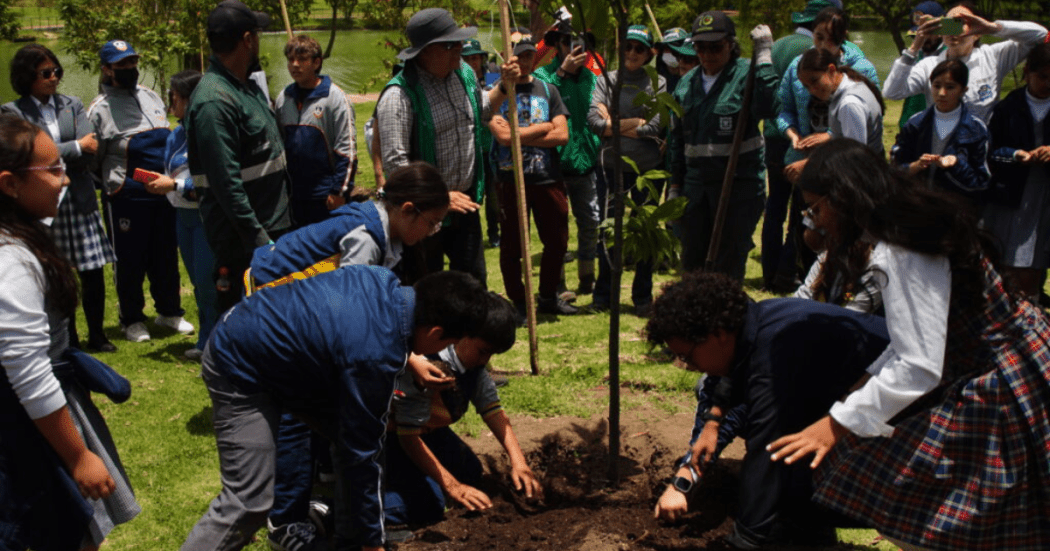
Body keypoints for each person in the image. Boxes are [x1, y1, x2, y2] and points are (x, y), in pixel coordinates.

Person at [766, 138, 1050, 551]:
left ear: (843, 198)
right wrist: (858, 389)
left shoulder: (902, 248)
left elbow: (919, 365)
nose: (815, 221)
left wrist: (834, 425)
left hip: (1003, 379)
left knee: (957, 513)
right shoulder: (911, 222)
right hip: (1010, 357)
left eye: (816, 208)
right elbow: (909, 339)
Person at [179, 268, 489, 551]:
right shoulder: (374, 354)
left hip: (287, 353)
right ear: (435, 333)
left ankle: (353, 542)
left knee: (360, 439)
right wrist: (375, 546)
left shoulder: (383, 282)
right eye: (446, 343)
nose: (440, 352)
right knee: (249, 500)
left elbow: (360, 444)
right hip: (239, 361)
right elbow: (361, 451)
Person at [245, 161, 452, 551]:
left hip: (304, 314)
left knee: (333, 411)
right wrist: (411, 359)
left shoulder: (383, 231)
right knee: (297, 417)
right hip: (275, 312)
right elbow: (356, 313)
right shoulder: (366, 238)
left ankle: (336, 505)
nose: (431, 232)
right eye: (432, 223)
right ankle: (285, 522)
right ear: (408, 210)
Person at [646, 271, 890, 549]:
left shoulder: (778, 352)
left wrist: (744, 540)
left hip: (903, 419)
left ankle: (808, 526)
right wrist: (689, 469)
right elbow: (725, 393)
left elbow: (766, 451)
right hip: (852, 408)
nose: (687, 365)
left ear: (717, 334)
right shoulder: (755, 325)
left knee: (788, 477)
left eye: (687, 356)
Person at [0, 114, 140, 551]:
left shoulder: (23, 236)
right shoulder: (11, 262)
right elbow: (28, 370)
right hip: (29, 425)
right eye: (53, 169)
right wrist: (78, 455)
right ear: (10, 184)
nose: (64, 179)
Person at [383, 292, 541, 526]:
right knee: (427, 506)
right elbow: (408, 437)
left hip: (429, 433)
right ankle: (354, 506)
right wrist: (452, 487)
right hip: (391, 440)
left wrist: (519, 462)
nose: (485, 360)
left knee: (470, 471)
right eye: (483, 351)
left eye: (491, 354)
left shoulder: (472, 368)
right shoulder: (426, 368)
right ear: (462, 335)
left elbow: (493, 411)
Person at [2, 43, 118, 353]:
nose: (53, 78)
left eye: (56, 71)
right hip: (42, 203)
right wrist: (74, 147)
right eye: (45, 73)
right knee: (56, 272)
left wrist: (61, 152)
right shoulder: (12, 112)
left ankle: (98, 335)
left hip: (78, 198)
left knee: (92, 270)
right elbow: (28, 156)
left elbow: (91, 147)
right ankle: (70, 339)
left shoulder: (73, 104)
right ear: (27, 76)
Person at [187, 0, 291, 313]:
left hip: (272, 230)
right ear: (247, 40)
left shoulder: (245, 87)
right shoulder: (214, 101)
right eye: (257, 34)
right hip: (245, 245)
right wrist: (260, 242)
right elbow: (226, 184)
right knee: (246, 325)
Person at [87, 39, 191, 344]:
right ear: (107, 69)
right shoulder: (99, 109)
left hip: (163, 190)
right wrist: (116, 184)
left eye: (132, 62)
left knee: (165, 255)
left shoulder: (150, 96)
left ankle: (169, 311)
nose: (130, 68)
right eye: (122, 64)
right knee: (129, 259)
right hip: (126, 196)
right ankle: (131, 319)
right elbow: (94, 160)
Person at [376, 8, 488, 286]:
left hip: (465, 205)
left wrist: (505, 87)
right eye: (450, 44)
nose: (460, 48)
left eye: (459, 41)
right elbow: (396, 166)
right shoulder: (398, 95)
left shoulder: (464, 74)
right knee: (427, 289)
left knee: (473, 285)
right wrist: (441, 197)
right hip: (423, 215)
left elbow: (482, 111)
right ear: (424, 52)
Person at [667, 12, 777, 279]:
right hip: (696, 189)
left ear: (730, 44)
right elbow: (677, 142)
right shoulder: (686, 84)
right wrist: (674, 187)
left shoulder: (746, 75)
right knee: (692, 264)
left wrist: (764, 57)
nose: (707, 54)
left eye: (715, 47)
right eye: (700, 47)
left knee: (728, 265)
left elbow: (768, 107)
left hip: (738, 188)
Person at [489, 38, 574, 317]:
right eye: (518, 56)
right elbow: (503, 138)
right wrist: (544, 126)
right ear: (507, 57)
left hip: (547, 177)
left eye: (528, 56)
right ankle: (519, 303)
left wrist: (520, 135)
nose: (523, 62)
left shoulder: (548, 90)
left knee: (557, 242)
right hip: (510, 179)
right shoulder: (495, 93)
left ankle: (548, 296)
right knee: (512, 246)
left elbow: (562, 135)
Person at [761, 0, 840, 293]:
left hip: (776, 134)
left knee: (775, 208)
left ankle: (771, 272)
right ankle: (789, 270)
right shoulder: (809, 54)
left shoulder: (779, 44)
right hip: (802, 143)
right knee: (801, 211)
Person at [587, 25, 666, 316]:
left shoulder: (657, 83)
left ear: (648, 54)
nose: (632, 53)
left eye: (639, 49)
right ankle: (603, 295)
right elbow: (595, 123)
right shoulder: (606, 80)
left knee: (645, 231)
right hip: (611, 169)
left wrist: (614, 122)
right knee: (609, 231)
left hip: (647, 171)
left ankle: (642, 297)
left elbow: (655, 127)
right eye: (628, 46)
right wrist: (635, 122)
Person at [142, 70, 217, 363]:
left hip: (206, 218)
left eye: (174, 96)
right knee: (198, 283)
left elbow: (215, 183)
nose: (169, 101)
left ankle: (219, 343)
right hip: (182, 218)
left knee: (210, 284)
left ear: (190, 99)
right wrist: (163, 183)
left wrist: (174, 185)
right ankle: (206, 339)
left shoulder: (208, 132)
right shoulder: (176, 134)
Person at [883, 0, 1047, 124]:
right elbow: (891, 92)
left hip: (981, 148)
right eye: (948, 24)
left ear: (977, 32)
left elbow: (1040, 35)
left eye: (960, 24)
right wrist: (914, 48)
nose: (952, 30)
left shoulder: (993, 56)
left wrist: (993, 27)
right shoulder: (929, 65)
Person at [534, 20, 601, 297]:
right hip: (554, 166)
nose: (574, 47)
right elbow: (539, 111)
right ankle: (557, 283)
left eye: (580, 41)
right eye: (567, 42)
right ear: (557, 46)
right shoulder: (543, 77)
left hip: (586, 165)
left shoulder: (592, 78)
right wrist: (561, 74)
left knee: (591, 223)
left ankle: (587, 277)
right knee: (556, 229)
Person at [777, 6, 880, 183]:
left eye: (832, 39)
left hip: (845, 168)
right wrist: (793, 135)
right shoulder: (797, 66)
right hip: (804, 162)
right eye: (819, 37)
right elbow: (784, 109)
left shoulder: (862, 68)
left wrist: (830, 135)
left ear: (843, 36)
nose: (824, 45)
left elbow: (867, 122)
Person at [982, 42, 1050, 300]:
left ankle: (1031, 308)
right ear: (1027, 72)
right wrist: (1015, 155)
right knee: (1007, 260)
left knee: (1036, 261)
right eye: (1042, 77)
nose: (1047, 84)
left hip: (1044, 195)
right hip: (1012, 194)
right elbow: (992, 151)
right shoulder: (1008, 107)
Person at [275, 35, 357, 228]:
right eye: (290, 59)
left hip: (325, 196)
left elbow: (347, 151)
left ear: (316, 62)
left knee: (327, 246)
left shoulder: (335, 98)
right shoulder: (283, 98)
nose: (295, 65)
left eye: (302, 59)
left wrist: (339, 191)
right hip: (293, 196)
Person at [891, 59, 990, 204]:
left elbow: (981, 183)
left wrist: (956, 165)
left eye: (950, 87)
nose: (942, 93)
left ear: (963, 90)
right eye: (936, 86)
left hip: (957, 209)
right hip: (917, 205)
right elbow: (895, 170)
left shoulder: (976, 129)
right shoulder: (915, 123)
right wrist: (916, 166)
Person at [796, 48, 885, 157]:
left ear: (831, 70)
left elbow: (854, 156)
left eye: (815, 81)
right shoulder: (853, 83)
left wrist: (810, 163)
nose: (812, 90)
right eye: (806, 86)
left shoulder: (849, 104)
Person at [461, 39, 501, 249]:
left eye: (475, 58)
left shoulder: (492, 75)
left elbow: (497, 104)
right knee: (473, 194)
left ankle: (494, 233)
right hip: (470, 149)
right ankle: (471, 235)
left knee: (494, 196)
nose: (472, 63)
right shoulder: (458, 81)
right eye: (467, 59)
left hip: (493, 148)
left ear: (482, 58)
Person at [898, 1, 947, 127]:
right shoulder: (913, 56)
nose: (922, 40)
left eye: (928, 34)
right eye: (918, 35)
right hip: (909, 127)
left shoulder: (950, 57)